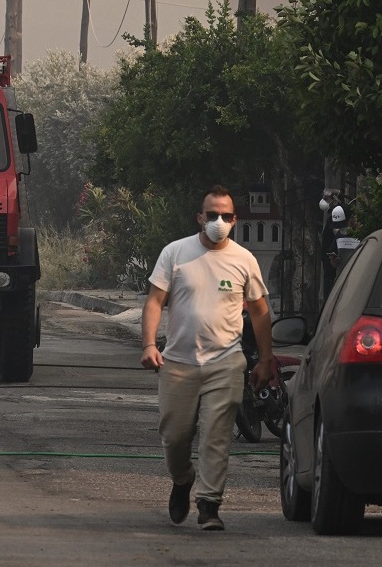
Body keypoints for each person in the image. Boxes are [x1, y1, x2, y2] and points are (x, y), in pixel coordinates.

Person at [139, 185, 274, 532]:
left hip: (226, 361)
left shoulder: (244, 260)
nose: (218, 221)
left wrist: (265, 360)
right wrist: (149, 345)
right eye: (211, 215)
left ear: (235, 220)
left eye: (225, 216)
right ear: (199, 217)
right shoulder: (175, 253)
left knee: (217, 434)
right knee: (175, 435)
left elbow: (259, 312)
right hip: (178, 363)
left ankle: (209, 504)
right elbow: (155, 301)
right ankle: (183, 479)